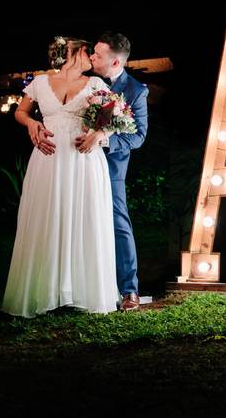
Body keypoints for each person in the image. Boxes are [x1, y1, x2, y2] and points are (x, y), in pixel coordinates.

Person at [1, 37, 121, 317]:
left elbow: (114, 119)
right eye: (85, 51)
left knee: (83, 217)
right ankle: (46, 290)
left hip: (84, 160)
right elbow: (21, 111)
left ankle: (82, 291)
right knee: (48, 216)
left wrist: (98, 134)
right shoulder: (41, 83)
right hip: (49, 159)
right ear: (70, 53)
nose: (90, 56)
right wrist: (32, 123)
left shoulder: (95, 85)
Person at [83, 32, 149, 312]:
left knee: (119, 224)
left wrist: (104, 138)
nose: (91, 58)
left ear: (115, 63)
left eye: (97, 55)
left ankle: (129, 290)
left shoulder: (135, 91)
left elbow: (138, 137)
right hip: (78, 165)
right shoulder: (83, 82)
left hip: (111, 168)